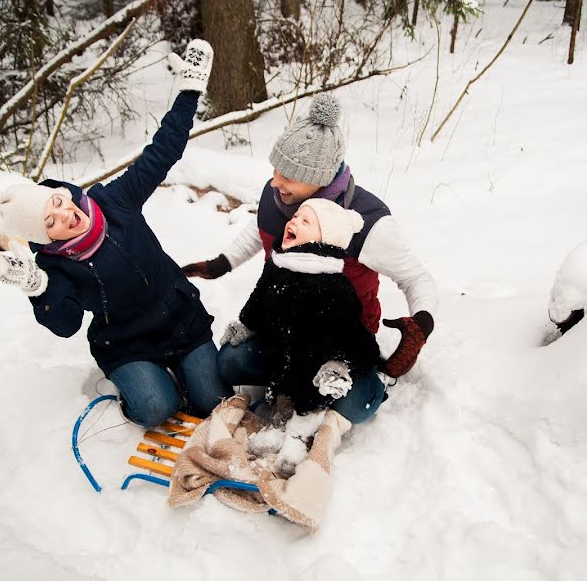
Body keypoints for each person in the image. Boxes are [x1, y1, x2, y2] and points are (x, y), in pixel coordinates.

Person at [0, 39, 232, 428]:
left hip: (178, 319)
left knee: (214, 401)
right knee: (155, 410)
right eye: (49, 223)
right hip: (127, 343)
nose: (64, 216)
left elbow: (161, 153)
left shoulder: (113, 201)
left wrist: (189, 93)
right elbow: (65, 325)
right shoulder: (53, 264)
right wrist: (37, 287)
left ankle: (184, 373)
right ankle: (142, 385)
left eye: (58, 203)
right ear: (46, 239)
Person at [183, 93, 437, 423]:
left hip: (341, 341)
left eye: (287, 175)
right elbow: (260, 226)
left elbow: (416, 277)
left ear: (319, 178)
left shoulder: (367, 221)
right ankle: (291, 379)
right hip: (282, 326)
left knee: (353, 408)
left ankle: (367, 384)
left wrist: (422, 323)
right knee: (230, 362)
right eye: (275, 170)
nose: (276, 181)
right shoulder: (278, 195)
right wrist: (223, 262)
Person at [221, 198, 382, 416]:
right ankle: (290, 389)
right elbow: (259, 303)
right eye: (295, 216)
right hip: (287, 357)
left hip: (328, 365)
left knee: (352, 407)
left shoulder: (333, 287)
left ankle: (374, 388)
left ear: (325, 240)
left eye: (305, 222)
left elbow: (354, 340)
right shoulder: (278, 265)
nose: (293, 222)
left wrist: (340, 365)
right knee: (229, 359)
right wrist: (248, 326)